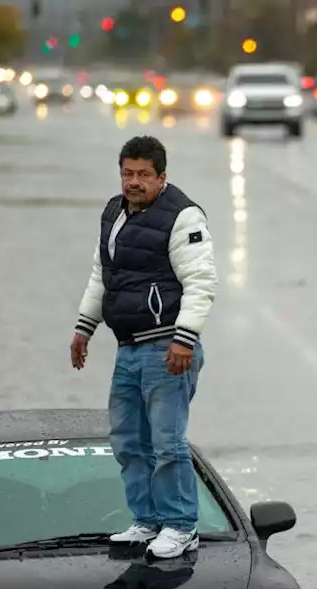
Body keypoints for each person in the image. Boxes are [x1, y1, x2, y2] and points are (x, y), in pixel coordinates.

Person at [70, 135, 217, 559]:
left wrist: (184, 339)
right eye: (127, 173)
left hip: (167, 350)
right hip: (128, 348)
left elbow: (201, 283)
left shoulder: (183, 218)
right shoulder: (114, 212)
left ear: (161, 177)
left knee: (167, 443)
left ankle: (181, 525)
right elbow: (103, 275)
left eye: (143, 175)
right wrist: (85, 328)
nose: (134, 182)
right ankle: (147, 519)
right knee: (128, 440)